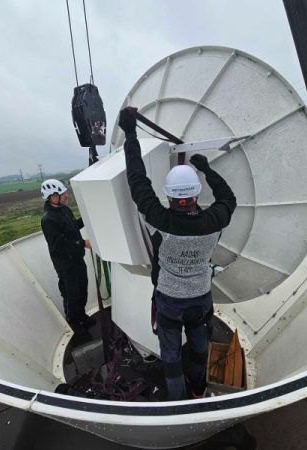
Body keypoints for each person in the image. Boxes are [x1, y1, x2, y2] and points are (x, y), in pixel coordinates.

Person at [118, 107, 237, 400]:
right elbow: (228, 199)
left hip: (170, 301)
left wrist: (130, 132)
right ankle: (198, 389)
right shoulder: (215, 220)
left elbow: (137, 181)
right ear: (196, 193)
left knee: (170, 356)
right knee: (198, 348)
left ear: (170, 195)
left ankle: (177, 399)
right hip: (200, 297)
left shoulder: (160, 219)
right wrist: (207, 169)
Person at [40, 179, 95, 333]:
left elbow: (73, 227)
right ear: (52, 197)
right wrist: (83, 243)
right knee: (72, 294)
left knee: (82, 289)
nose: (66, 196)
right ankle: (73, 322)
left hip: (77, 259)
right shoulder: (48, 220)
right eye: (62, 194)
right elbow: (59, 245)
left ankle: (81, 315)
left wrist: (86, 218)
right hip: (65, 265)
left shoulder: (64, 210)